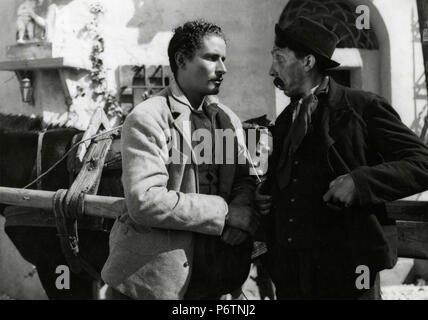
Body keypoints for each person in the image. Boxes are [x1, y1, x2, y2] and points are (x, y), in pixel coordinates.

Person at [255, 16, 428, 300]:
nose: (271, 69)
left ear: (308, 62)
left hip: (348, 275)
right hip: (293, 276)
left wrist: (359, 182)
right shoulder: (286, 120)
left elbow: (422, 163)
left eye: (279, 59)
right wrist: (267, 194)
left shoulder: (362, 107)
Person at [101, 20, 258, 300]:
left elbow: (244, 178)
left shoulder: (227, 120)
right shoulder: (148, 118)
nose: (222, 68)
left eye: (223, 59)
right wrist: (224, 213)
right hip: (155, 284)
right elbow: (145, 201)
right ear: (182, 60)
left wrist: (241, 209)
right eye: (211, 58)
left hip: (216, 278)